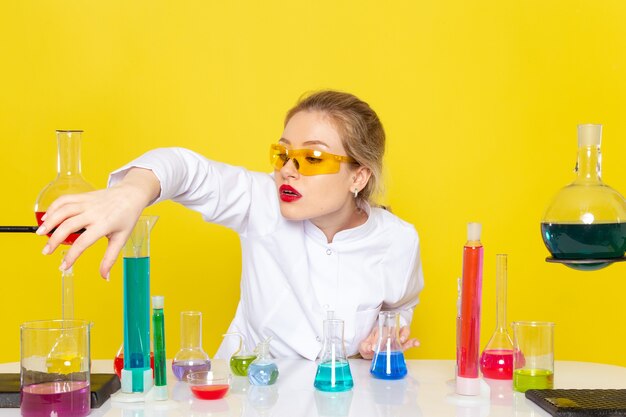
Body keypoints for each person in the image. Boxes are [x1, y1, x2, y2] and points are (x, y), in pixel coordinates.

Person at [38, 90, 424, 360]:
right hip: (245, 395)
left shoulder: (398, 240)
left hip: (342, 399)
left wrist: (385, 334)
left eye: (312, 158)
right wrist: (132, 192)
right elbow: (187, 170)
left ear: (359, 177)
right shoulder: (261, 202)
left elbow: (402, 303)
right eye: (283, 153)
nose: (288, 170)